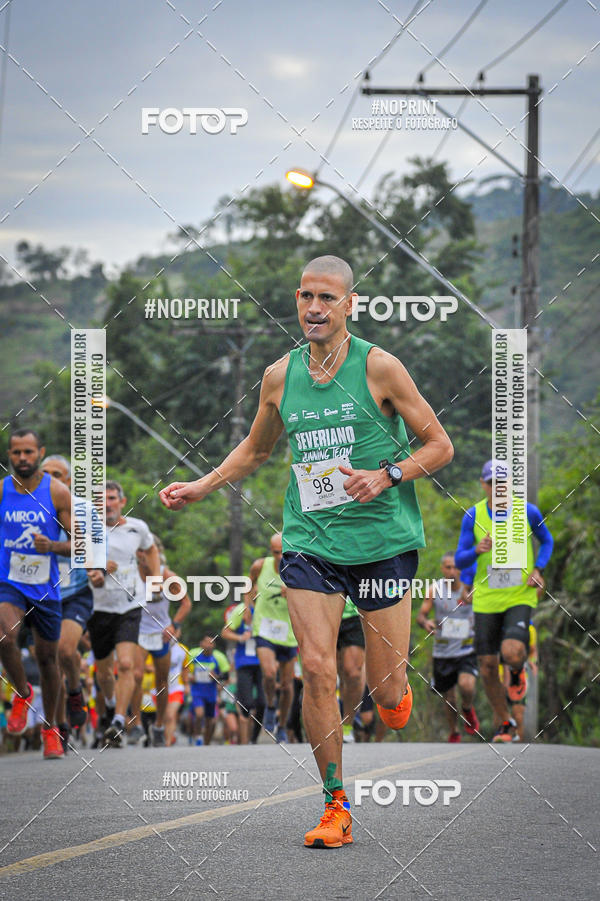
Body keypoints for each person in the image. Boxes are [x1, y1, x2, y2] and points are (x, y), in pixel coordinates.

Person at [159, 255, 453, 847]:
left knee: (385, 692)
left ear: (349, 305)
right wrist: (201, 484)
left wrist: (387, 474)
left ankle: (394, 695)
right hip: (309, 542)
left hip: (379, 545)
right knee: (316, 667)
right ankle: (334, 805)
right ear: (296, 301)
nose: (315, 309)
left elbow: (439, 445)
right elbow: (255, 450)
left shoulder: (380, 368)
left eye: (327, 298)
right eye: (306, 297)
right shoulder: (278, 376)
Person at [455, 460, 554, 742]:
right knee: (486, 665)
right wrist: (477, 549)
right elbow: (460, 559)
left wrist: (539, 569)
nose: (497, 488)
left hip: (519, 595)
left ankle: (516, 669)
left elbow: (547, 541)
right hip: (486, 599)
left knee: (511, 652)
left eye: (502, 482)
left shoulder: (528, 512)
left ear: (510, 484)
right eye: (491, 483)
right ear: (483, 484)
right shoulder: (472, 516)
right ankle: (505, 723)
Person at [0, 429, 73, 759]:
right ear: (10, 454)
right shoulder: (1, 491)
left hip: (45, 586)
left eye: (28, 452)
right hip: (9, 581)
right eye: (16, 453)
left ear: (40, 452)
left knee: (48, 659)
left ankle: (52, 729)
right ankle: (22, 693)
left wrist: (54, 545)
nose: (22, 459)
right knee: (4, 637)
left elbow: (82, 545)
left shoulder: (56, 492)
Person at [87, 481, 160, 747]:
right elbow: (75, 559)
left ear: (121, 500)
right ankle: (108, 707)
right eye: (101, 500)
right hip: (98, 606)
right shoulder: (87, 530)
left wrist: (155, 580)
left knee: (127, 664)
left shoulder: (136, 528)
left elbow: (151, 549)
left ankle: (119, 719)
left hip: (130, 603)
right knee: (104, 672)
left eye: (112, 498)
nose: (106, 504)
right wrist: (94, 570)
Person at [41, 455, 95, 749]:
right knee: (50, 661)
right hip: (40, 592)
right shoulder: (28, 507)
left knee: (64, 651)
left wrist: (97, 569)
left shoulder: (84, 511)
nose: (51, 479)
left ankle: (76, 690)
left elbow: (90, 550)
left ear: (69, 481)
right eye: (45, 473)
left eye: (58, 474)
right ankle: (58, 725)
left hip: (74, 593)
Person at [131, 538, 191, 747]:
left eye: (147, 551)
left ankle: (158, 726)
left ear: (156, 552)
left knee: (162, 681)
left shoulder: (167, 575)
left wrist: (173, 625)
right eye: (139, 551)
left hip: (160, 633)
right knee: (136, 675)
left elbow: (186, 603)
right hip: (139, 632)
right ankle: (137, 723)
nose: (143, 555)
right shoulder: (131, 574)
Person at [416, 553, 479, 742]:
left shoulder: (471, 589)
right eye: (448, 568)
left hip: (466, 648)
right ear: (443, 569)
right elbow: (421, 615)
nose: (452, 572)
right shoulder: (434, 589)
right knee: (449, 698)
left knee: (466, 685)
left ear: (462, 569)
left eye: (456, 568)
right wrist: (425, 623)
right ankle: (454, 731)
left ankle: (467, 709)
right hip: (443, 651)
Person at [245, 532, 297, 743]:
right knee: (268, 673)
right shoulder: (260, 566)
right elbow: (248, 585)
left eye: (284, 552)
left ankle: (282, 725)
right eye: (276, 553)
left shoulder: (299, 568)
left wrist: (294, 593)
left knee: (286, 685)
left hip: (289, 631)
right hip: (264, 626)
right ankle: (270, 705)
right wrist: (248, 606)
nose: (280, 557)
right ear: (271, 551)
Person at [221, 598, 265, 745]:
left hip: (262, 662)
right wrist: (240, 637)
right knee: (247, 703)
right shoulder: (241, 609)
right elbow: (225, 632)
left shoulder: (267, 606)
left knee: (263, 703)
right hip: (244, 663)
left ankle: (253, 738)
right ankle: (244, 740)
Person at [336, 597, 366, 744]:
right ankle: (331, 725)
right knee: (331, 676)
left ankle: (347, 724)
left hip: (355, 613)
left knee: (353, 674)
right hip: (326, 609)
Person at [188, 635, 222, 746]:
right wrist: (190, 678)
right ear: (201, 644)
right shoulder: (195, 659)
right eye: (206, 642)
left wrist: (215, 677)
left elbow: (222, 678)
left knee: (210, 721)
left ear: (214, 645)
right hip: (197, 692)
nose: (208, 645)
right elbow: (187, 673)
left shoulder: (216, 660)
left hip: (211, 694)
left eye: (210, 642)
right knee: (199, 715)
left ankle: (207, 744)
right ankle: (197, 736)